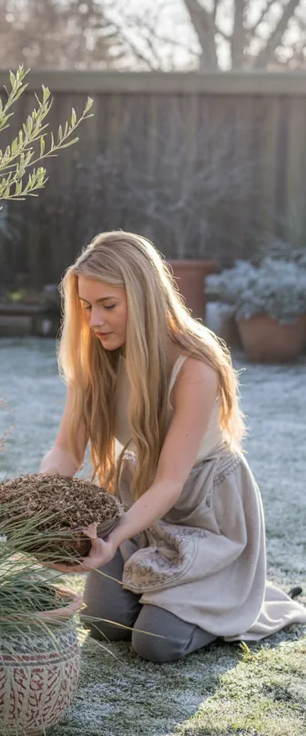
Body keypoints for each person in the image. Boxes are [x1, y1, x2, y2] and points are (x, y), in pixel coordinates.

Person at [39, 231, 306, 663]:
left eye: (108, 305)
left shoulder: (193, 367)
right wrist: (31, 507)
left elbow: (169, 483)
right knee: (104, 622)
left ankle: (229, 593)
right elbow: (66, 451)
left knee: (155, 643)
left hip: (199, 508)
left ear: (144, 297)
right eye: (87, 307)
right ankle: (164, 593)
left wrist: (114, 538)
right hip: (137, 499)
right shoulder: (96, 360)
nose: (95, 321)